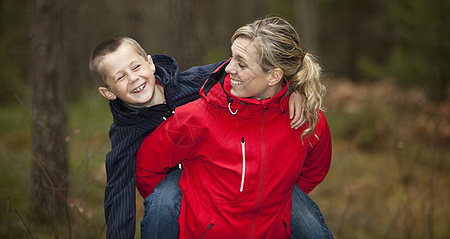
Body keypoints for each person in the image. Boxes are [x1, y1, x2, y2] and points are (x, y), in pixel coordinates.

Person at [136, 16, 333, 238]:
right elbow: (147, 168)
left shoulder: (306, 120)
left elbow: (314, 171)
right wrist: (192, 215)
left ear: (274, 76)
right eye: (232, 57)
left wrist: (278, 208)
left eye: (242, 63)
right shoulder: (195, 118)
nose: (228, 68)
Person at [89, 37, 305, 239]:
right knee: (162, 201)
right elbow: (119, 197)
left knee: (291, 202)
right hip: (175, 179)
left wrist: (294, 88)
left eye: (135, 67)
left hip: (222, 165)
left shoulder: (192, 83)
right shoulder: (125, 133)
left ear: (150, 64)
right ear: (108, 92)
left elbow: (253, 67)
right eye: (120, 77)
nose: (133, 78)